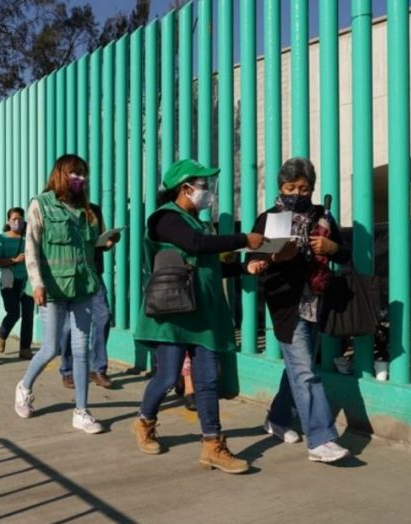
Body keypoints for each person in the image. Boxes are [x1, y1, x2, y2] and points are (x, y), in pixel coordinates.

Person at [130, 159, 266, 474]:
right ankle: (144, 422)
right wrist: (243, 239)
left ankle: (212, 445)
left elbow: (208, 262)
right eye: (203, 185)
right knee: (167, 376)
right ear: (185, 187)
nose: (208, 191)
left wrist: (243, 266)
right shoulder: (164, 218)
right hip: (173, 312)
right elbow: (195, 245)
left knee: (206, 380)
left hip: (203, 313)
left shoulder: (200, 224)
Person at [247, 157, 352, 464]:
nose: (297, 193)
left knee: (297, 367)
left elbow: (345, 252)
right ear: (280, 187)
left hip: (315, 301)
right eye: (290, 187)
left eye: (303, 188)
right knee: (306, 371)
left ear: (312, 189)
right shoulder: (268, 218)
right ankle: (321, 439)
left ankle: (277, 419)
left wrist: (331, 249)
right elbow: (251, 255)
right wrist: (255, 264)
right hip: (284, 303)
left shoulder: (322, 216)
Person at [13, 154, 104, 435]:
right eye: (75, 174)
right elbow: (31, 246)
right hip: (51, 289)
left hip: (82, 287)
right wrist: (37, 283)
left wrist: (105, 241)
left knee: (81, 349)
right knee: (51, 347)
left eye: (84, 175)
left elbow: (88, 247)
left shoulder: (86, 210)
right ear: (62, 174)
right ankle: (24, 386)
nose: (81, 180)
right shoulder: (41, 204)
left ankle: (81, 411)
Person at [58, 202, 118, 389]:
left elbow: (101, 241)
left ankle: (97, 369)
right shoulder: (59, 210)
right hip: (70, 275)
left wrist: (110, 241)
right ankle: (67, 370)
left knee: (103, 317)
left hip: (93, 274)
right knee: (68, 326)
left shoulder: (94, 209)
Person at [0, 207, 34, 359]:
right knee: (14, 312)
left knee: (28, 315)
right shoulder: (2, 238)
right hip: (9, 282)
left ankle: (25, 348)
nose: (17, 222)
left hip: (28, 281)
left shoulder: (29, 237)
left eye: (20, 219)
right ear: (8, 221)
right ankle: (2, 334)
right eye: (14, 219)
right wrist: (14, 260)